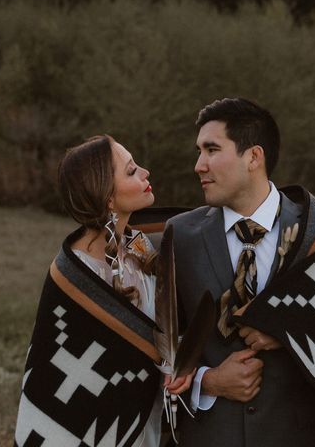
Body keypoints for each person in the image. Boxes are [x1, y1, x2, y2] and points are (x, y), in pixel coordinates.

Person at [168, 98, 315, 447]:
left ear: (253, 157)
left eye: (211, 150)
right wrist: (209, 382)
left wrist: (288, 327)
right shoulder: (179, 238)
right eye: (199, 151)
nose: (198, 165)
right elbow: (158, 348)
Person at [14, 135, 190, 447]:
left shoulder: (139, 246)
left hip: (144, 419)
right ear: (108, 199)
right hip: (98, 423)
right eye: (132, 171)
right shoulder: (79, 276)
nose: (146, 173)